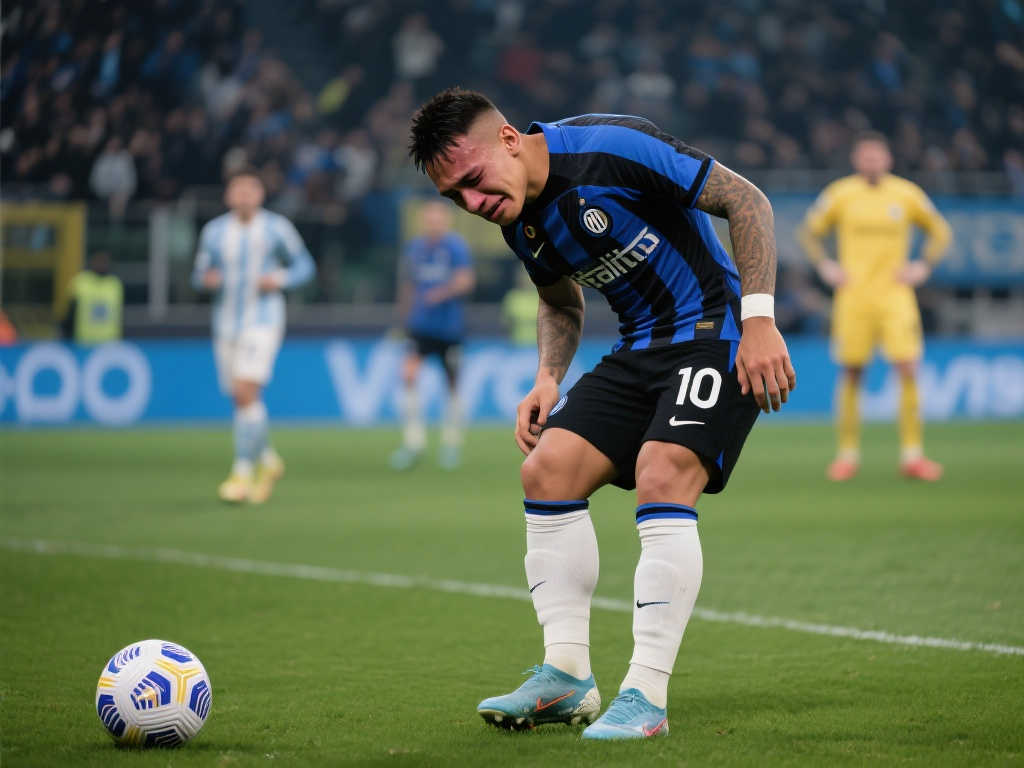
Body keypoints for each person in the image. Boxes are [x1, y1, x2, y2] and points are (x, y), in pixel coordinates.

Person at [409, 88, 795, 740]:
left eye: (473, 180)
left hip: (717, 332)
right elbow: (560, 301)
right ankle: (567, 678)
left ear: (508, 139)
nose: (472, 203)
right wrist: (547, 377)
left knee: (662, 471)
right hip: (638, 348)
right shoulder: (518, 219)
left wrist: (760, 321)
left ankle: (646, 695)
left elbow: (747, 200)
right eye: (455, 198)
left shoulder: (609, 147)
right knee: (547, 469)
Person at [798, 132, 952, 482]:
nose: (872, 163)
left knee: (908, 368)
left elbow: (940, 231)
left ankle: (913, 455)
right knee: (852, 372)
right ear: (857, 160)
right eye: (866, 157)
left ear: (888, 159)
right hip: (854, 297)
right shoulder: (840, 194)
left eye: (877, 157)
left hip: (896, 296)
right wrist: (825, 266)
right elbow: (809, 232)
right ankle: (847, 455)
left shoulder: (906, 194)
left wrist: (923, 266)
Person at [192, 168, 315, 504]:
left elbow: (305, 266)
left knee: (246, 390)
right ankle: (268, 460)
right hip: (225, 323)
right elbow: (198, 273)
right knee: (241, 398)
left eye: (251, 189)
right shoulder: (214, 232)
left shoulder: (276, 228)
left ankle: (241, 474)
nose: (244, 195)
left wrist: (281, 279)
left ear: (260, 194)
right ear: (228, 195)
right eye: (238, 189)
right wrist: (206, 280)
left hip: (263, 321)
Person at [390, 199, 475, 471]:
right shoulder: (415, 248)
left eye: (438, 219)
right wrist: (403, 319)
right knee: (408, 376)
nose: (433, 223)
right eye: (429, 219)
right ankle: (413, 443)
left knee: (452, 385)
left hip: (449, 328)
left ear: (446, 221)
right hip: (420, 326)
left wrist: (441, 292)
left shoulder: (456, 247)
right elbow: (407, 285)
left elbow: (466, 281)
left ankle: (451, 443)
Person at [61, 251, 123, 344]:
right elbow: (70, 312)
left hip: (109, 341)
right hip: (84, 341)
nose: (101, 265)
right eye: (99, 261)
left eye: (104, 261)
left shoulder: (115, 284)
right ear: (92, 262)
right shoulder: (80, 281)